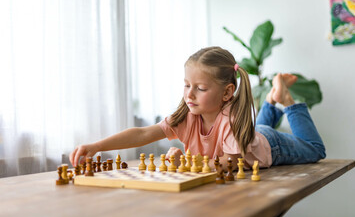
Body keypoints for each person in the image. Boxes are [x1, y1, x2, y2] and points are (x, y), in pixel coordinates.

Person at [69, 47, 326, 171]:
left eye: (200, 88)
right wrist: (97, 146)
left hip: (271, 146)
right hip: (251, 136)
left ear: (227, 92)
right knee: (257, 129)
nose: (189, 94)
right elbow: (143, 134)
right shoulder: (188, 115)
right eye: (186, 85)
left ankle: (287, 102)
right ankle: (271, 99)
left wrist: (189, 162)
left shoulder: (232, 118)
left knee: (315, 150)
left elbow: (232, 161)